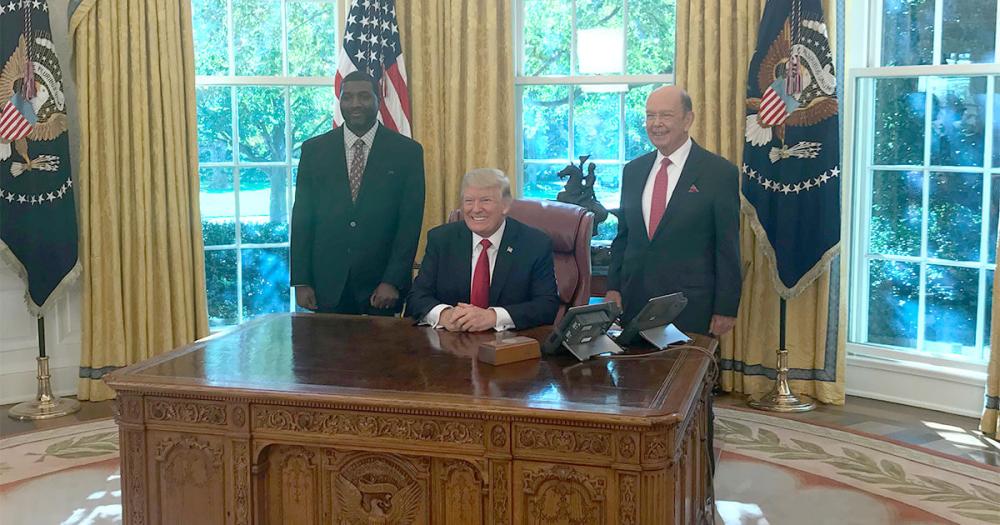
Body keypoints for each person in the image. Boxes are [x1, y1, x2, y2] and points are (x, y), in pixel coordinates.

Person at [606, 86, 741, 337]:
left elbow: (727, 246)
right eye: (650, 116)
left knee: (687, 375)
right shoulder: (633, 171)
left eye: (666, 115)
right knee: (634, 375)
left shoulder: (719, 173)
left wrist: (726, 308)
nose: (656, 124)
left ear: (687, 119)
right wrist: (613, 287)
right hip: (635, 303)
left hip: (691, 308)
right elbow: (623, 236)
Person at [290, 71, 425, 315]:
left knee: (380, 354)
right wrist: (301, 280)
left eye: (364, 96)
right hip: (326, 285)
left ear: (378, 100)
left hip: (380, 288)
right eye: (348, 97)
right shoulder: (314, 150)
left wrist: (392, 280)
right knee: (324, 353)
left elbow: (409, 223)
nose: (355, 104)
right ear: (339, 100)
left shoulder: (407, 152)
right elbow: (302, 218)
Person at [407, 168, 559, 331]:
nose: (476, 209)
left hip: (509, 346)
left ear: (506, 205)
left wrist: (493, 317)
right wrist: (445, 315)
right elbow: (416, 297)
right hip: (450, 343)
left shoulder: (534, 244)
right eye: (469, 201)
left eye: (485, 200)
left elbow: (546, 306)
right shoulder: (441, 240)